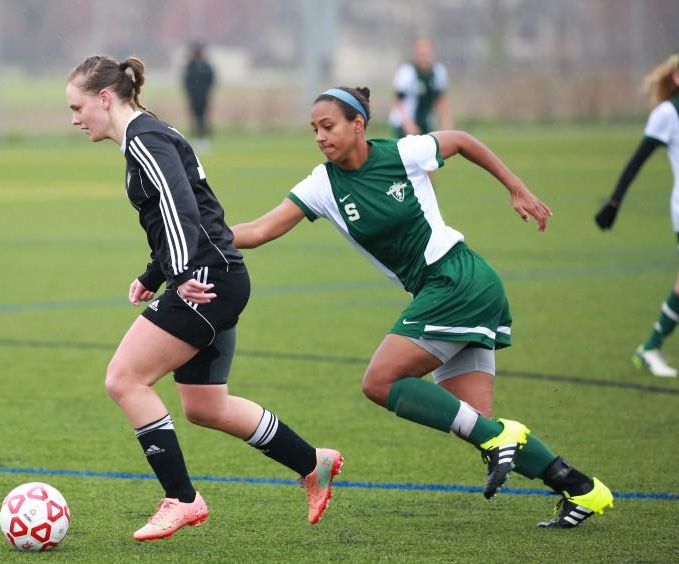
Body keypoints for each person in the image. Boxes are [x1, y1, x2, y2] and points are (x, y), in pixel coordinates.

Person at [230, 86, 614, 528]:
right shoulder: (322, 184)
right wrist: (200, 233)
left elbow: (464, 141)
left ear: (359, 124)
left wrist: (517, 188)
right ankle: (582, 488)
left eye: (328, 126)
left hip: (456, 280)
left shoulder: (404, 153)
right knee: (477, 423)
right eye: (313, 128)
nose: (319, 136)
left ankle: (503, 440)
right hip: (447, 290)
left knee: (380, 382)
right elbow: (259, 230)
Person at [65, 55, 342, 541]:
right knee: (205, 406)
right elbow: (186, 213)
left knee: (125, 379)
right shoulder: (149, 134)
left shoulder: (145, 139)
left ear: (104, 98)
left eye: (77, 106)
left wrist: (180, 271)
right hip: (217, 274)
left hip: (207, 279)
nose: (74, 118)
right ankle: (310, 463)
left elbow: (181, 206)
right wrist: (155, 273)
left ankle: (183, 499)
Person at [595, 52, 679, 378]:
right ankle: (650, 347)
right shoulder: (668, 114)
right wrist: (614, 203)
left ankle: (650, 347)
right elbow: (637, 161)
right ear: (676, 78)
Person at [389, 38, 452, 137]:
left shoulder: (438, 72)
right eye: (420, 53)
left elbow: (440, 100)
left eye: (426, 53)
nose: (423, 56)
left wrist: (446, 123)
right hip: (403, 124)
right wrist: (408, 124)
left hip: (425, 122)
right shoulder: (406, 72)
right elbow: (397, 101)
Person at [182, 42, 215, 146]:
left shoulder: (206, 66)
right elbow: (186, 81)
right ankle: (196, 135)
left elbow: (211, 80)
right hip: (193, 96)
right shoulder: (190, 66)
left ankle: (203, 136)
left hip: (204, 96)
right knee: (194, 116)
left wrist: (205, 91)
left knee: (203, 116)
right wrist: (191, 92)